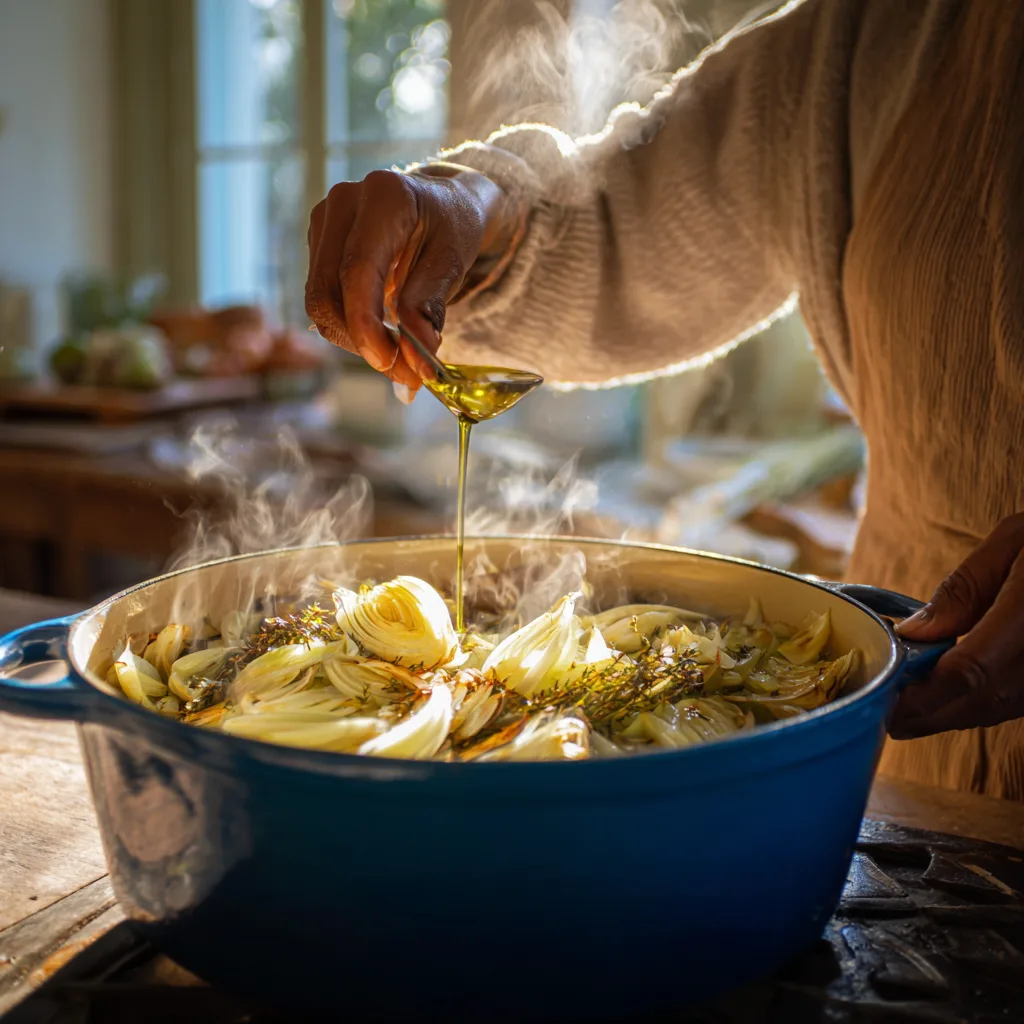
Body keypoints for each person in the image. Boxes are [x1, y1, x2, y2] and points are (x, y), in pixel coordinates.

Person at [305, 0, 1024, 800]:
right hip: (913, 681)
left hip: (902, 660)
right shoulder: (881, 32)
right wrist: (473, 205)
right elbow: (613, 224)